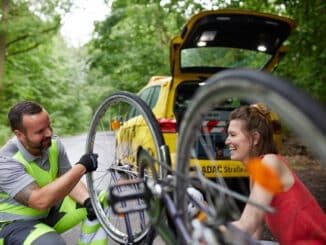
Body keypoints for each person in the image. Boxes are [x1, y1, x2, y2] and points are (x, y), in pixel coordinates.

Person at [0, 101, 107, 245]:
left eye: (49, 126)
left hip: (48, 214)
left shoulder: (53, 144)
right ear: (19, 135)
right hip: (14, 225)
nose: (49, 133)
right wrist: (81, 167)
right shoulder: (6, 161)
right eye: (40, 131)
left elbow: (68, 180)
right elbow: (39, 201)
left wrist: (88, 201)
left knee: (98, 200)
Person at [225, 103, 326, 244]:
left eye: (232, 135)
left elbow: (248, 224)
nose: (226, 141)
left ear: (254, 138)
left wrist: (202, 230)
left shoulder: (270, 163)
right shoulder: (256, 171)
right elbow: (255, 231)